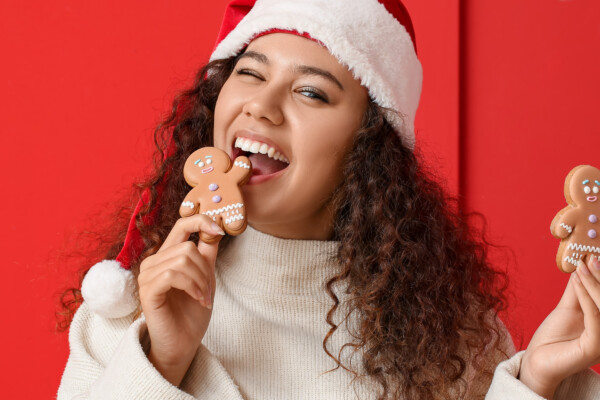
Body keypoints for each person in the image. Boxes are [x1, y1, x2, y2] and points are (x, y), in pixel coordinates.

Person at [56, 0, 600, 399]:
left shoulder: (449, 336)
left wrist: (537, 383)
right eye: (248, 73)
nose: (262, 107)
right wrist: (165, 360)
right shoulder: (133, 305)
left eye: (310, 91)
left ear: (368, 150)